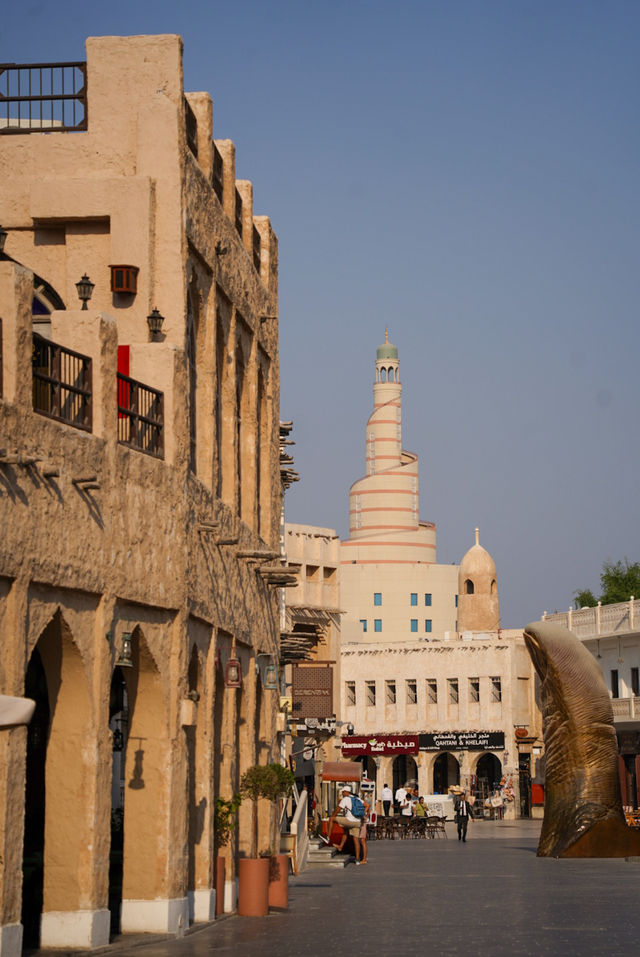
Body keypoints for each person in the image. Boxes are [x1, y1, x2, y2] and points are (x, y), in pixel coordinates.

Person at [326, 785, 363, 862]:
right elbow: (365, 805)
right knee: (354, 838)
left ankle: (327, 838)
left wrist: (332, 817)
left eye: (342, 792)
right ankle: (357, 859)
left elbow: (337, 810)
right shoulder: (357, 798)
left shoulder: (346, 799)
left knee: (332, 819)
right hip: (358, 822)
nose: (342, 793)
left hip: (349, 821)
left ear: (346, 792)